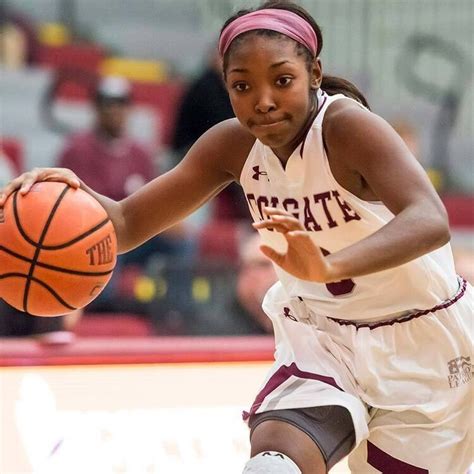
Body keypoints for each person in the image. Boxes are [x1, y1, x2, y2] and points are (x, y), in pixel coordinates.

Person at [1, 1, 472, 472]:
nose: (262, 100)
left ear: (314, 73)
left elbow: (429, 220)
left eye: (282, 81)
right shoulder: (232, 144)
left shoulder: (347, 128)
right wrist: (68, 196)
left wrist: (331, 267)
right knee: (272, 464)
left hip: (418, 344)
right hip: (325, 341)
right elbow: (125, 224)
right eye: (242, 86)